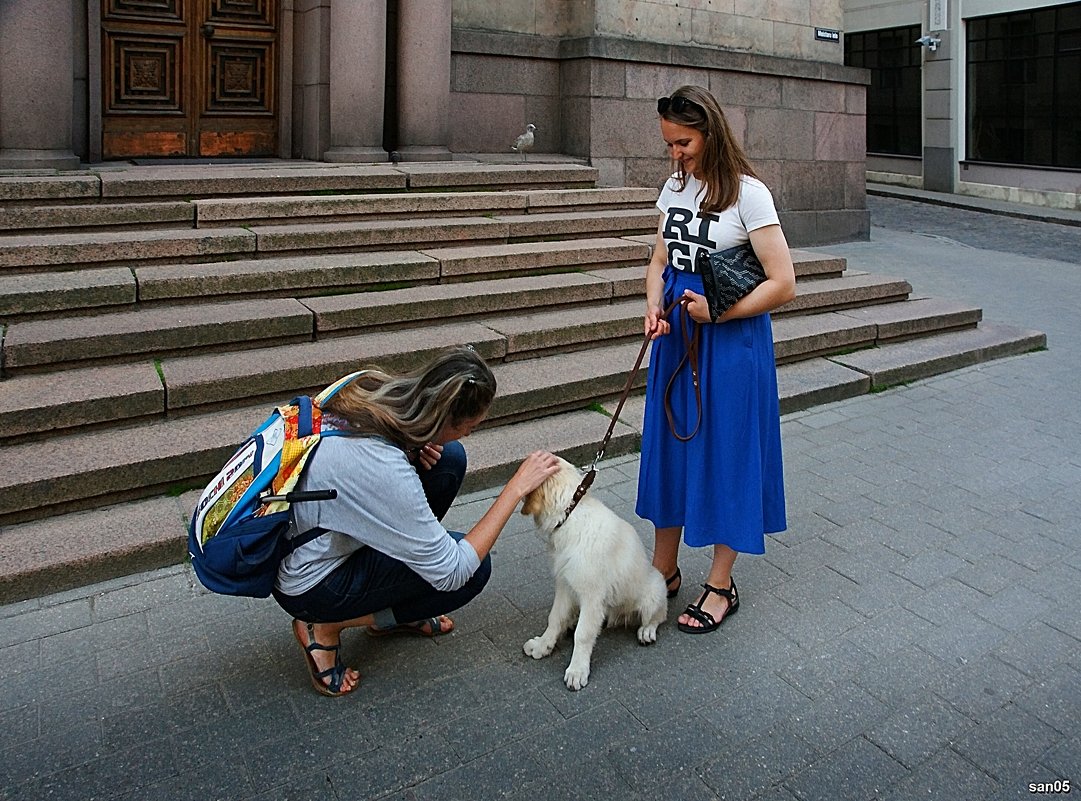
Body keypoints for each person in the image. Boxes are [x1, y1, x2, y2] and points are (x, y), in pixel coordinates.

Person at [272, 346, 560, 696]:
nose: (467, 435)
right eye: (468, 428)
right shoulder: (384, 469)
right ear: (445, 419)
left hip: (307, 535)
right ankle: (323, 626)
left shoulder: (370, 387)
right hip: (309, 582)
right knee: (471, 572)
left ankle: (395, 608)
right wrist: (514, 489)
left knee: (447, 459)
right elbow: (453, 571)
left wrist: (412, 448)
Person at [637, 85, 796, 634]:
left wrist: (718, 314)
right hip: (679, 332)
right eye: (668, 145)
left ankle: (721, 583)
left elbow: (784, 283)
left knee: (728, 451)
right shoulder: (675, 185)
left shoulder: (749, 194)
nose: (674, 155)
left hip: (729, 340)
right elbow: (660, 257)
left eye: (683, 143)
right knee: (670, 446)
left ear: (710, 132)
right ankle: (663, 568)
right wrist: (654, 301)